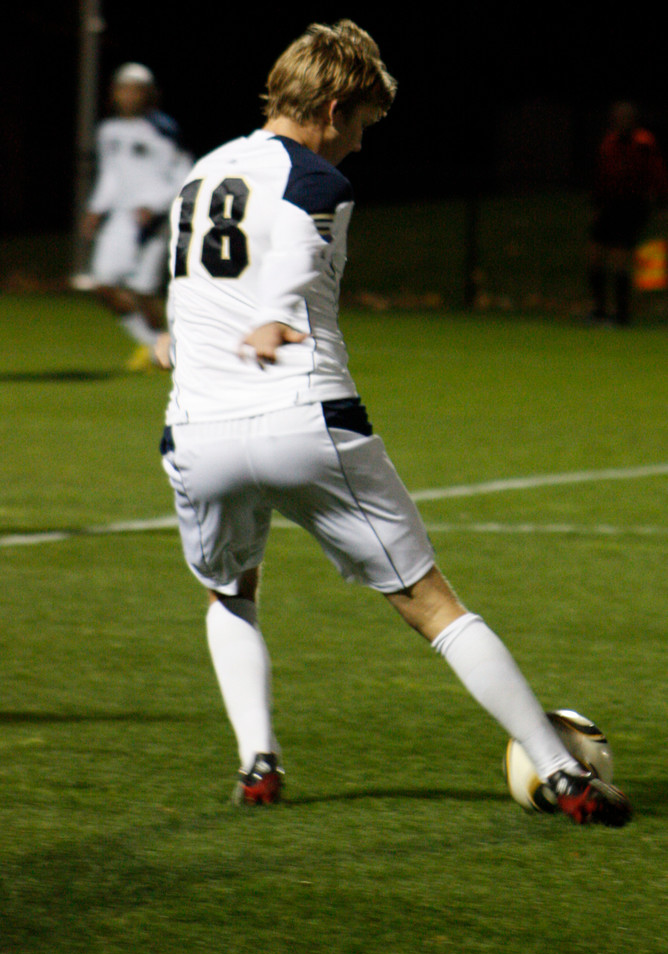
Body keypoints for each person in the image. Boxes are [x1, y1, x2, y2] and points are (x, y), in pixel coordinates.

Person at [160, 20, 631, 826]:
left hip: (199, 432)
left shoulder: (202, 174)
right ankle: (563, 774)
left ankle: (258, 763)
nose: (362, 146)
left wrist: (180, 337)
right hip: (303, 416)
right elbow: (296, 257)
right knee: (430, 603)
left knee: (229, 593)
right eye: (364, 125)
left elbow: (197, 281)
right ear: (336, 106)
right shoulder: (316, 179)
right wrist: (275, 317)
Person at [80, 62, 192, 370]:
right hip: (121, 219)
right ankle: (156, 346)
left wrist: (155, 206)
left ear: (148, 94)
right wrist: (95, 208)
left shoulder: (163, 128)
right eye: (122, 88)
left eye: (135, 89)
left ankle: (165, 350)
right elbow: (111, 176)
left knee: (143, 290)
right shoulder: (108, 130)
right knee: (102, 284)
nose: (128, 96)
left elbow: (184, 173)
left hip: (153, 220)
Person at [587, 100, 668, 325]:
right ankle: (599, 310)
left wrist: (662, 201)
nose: (620, 121)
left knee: (620, 258)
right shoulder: (609, 142)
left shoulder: (643, 143)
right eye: (617, 117)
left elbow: (657, 172)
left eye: (625, 117)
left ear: (633, 120)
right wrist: (596, 204)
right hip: (610, 205)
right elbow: (601, 174)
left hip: (632, 205)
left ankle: (622, 314)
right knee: (594, 255)